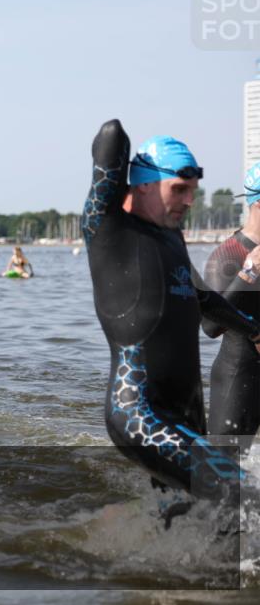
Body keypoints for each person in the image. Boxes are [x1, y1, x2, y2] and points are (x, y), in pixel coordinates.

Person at [81, 119, 260, 500]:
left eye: (193, 190)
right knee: (244, 495)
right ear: (142, 184)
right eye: (179, 189)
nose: (190, 201)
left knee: (189, 516)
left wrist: (254, 329)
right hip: (140, 414)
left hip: (186, 415)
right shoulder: (109, 229)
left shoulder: (171, 238)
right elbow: (111, 136)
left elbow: (206, 302)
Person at [202, 162, 260, 447]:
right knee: (222, 478)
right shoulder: (228, 254)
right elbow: (211, 325)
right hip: (239, 378)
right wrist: (250, 272)